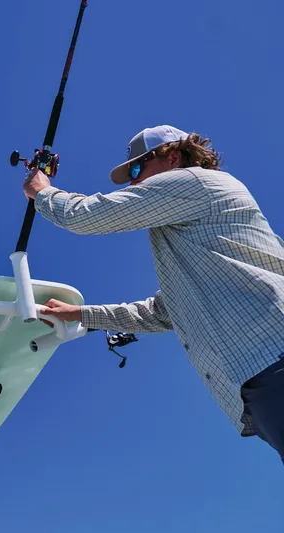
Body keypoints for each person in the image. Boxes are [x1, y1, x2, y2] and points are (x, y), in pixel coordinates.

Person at [22, 125, 284, 462]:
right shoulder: (190, 224)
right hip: (260, 383)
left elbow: (88, 215)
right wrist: (81, 315)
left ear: (173, 157)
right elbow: (161, 312)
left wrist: (44, 193)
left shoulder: (193, 181)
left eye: (136, 168)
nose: (133, 181)